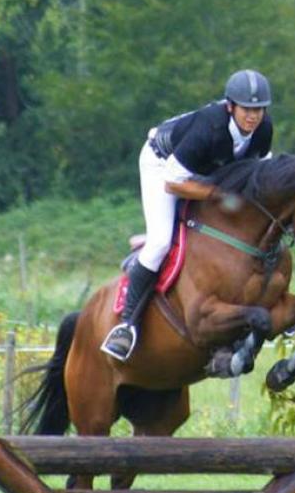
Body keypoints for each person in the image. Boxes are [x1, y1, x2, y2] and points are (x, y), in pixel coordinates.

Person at [101, 69, 274, 361]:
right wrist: (217, 194)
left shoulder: (264, 129)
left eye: (258, 110)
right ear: (230, 106)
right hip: (163, 167)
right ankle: (126, 325)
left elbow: (261, 175)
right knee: (160, 242)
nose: (253, 116)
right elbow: (173, 182)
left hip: (205, 170)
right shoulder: (209, 127)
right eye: (247, 109)